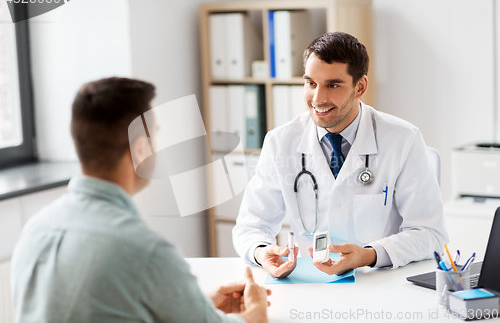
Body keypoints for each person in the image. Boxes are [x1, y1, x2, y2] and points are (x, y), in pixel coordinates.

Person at [11, 77, 270, 323]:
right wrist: (255, 314)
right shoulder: (145, 251)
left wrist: (198, 306)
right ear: (140, 148)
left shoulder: (34, 231)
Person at [233, 32, 449, 278]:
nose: (317, 98)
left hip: (379, 280)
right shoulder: (280, 142)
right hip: (310, 283)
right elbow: (251, 226)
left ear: (360, 86)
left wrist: (368, 255)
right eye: (310, 83)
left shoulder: (403, 139)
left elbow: (430, 233)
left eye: (332, 85)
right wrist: (262, 252)